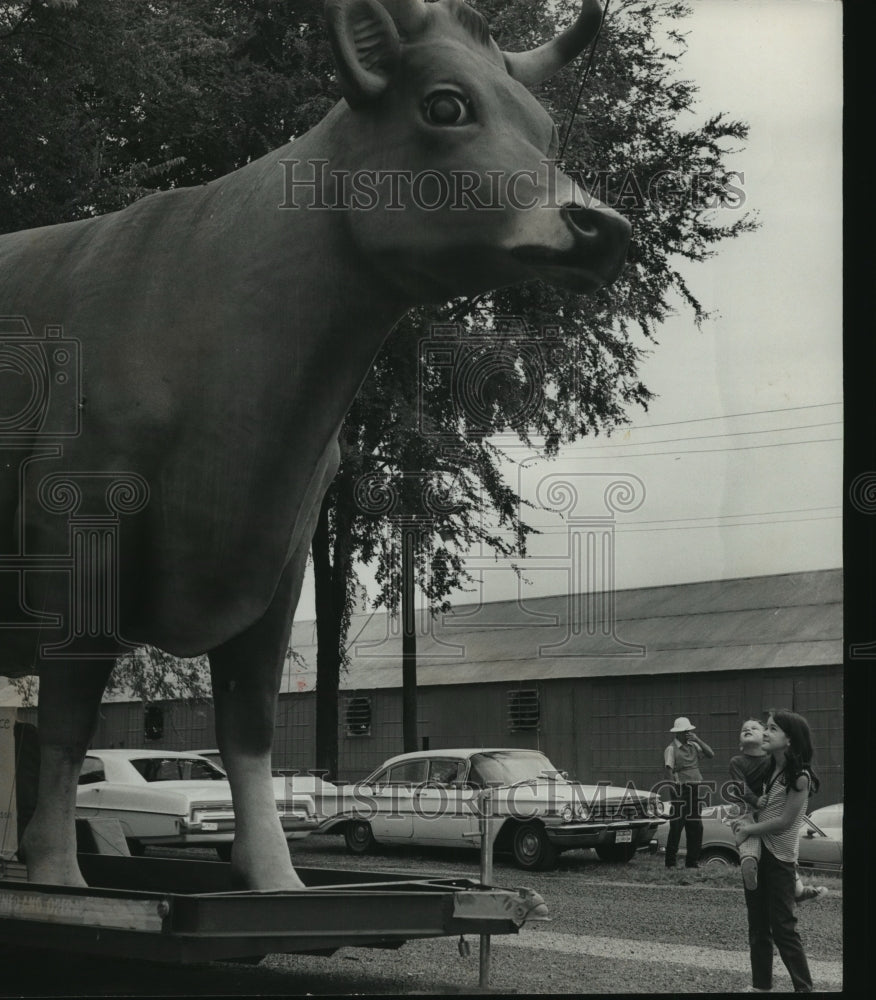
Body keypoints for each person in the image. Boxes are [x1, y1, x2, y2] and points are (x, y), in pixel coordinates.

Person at [732, 709, 819, 993]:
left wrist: (748, 830)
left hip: (780, 857)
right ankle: (761, 987)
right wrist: (747, 819)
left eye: (772, 729)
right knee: (757, 926)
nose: (765, 733)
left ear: (790, 739)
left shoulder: (800, 777)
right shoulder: (771, 768)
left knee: (783, 927)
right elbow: (761, 804)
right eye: (765, 728)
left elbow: (784, 823)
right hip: (761, 852)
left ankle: (804, 989)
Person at [728, 718, 828, 903]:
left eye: (756, 728)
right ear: (740, 744)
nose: (748, 729)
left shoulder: (772, 762)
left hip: (768, 810)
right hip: (746, 804)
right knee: (747, 833)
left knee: (782, 850)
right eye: (744, 729)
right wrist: (755, 800)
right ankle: (748, 862)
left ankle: (798, 890)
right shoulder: (737, 761)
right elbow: (739, 786)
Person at [663, 716, 714, 869]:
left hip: (694, 788)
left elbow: (711, 754)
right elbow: (669, 771)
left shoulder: (694, 745)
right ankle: (670, 863)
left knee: (696, 826)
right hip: (680, 789)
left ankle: (692, 861)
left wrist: (697, 740)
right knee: (677, 826)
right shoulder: (671, 749)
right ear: (677, 733)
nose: (688, 734)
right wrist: (675, 790)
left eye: (689, 731)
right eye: (685, 732)